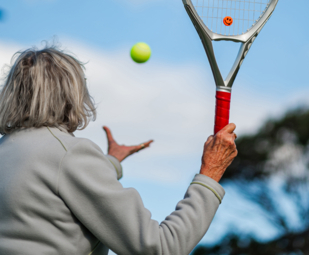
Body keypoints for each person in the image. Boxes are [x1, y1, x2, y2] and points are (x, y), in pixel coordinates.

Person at [0, 46, 237, 255]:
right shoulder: (70, 155)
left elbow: (47, 182)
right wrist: (210, 172)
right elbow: (161, 247)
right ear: (71, 96)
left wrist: (110, 161)